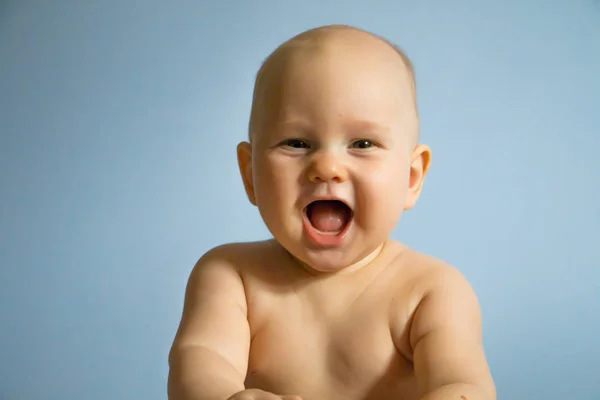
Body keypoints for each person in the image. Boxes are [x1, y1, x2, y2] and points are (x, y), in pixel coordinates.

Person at [168, 24, 496, 400]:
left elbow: (462, 385)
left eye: (362, 143)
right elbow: (199, 361)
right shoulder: (231, 277)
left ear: (411, 177)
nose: (327, 166)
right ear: (250, 175)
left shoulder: (430, 291)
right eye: (296, 142)